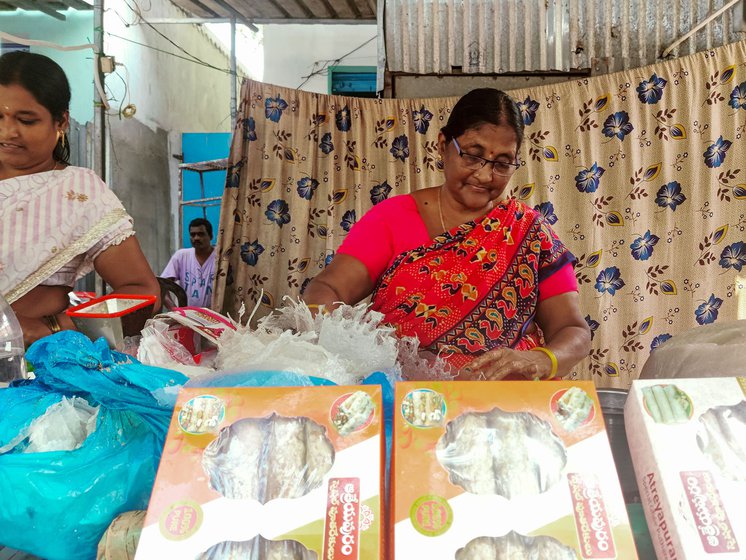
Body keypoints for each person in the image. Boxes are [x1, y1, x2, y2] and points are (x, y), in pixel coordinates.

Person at [303, 88, 591, 381]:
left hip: (510, 409)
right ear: (443, 145)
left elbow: (574, 330)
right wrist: (355, 350)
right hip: (413, 404)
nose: (485, 175)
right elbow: (328, 289)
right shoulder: (392, 219)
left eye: (502, 163)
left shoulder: (529, 232)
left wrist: (541, 360)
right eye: (472, 156)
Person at [0, 51, 160, 347]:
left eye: (26, 120)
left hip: (28, 369)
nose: (8, 131)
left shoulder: (78, 192)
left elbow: (141, 292)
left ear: (60, 121)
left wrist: (49, 328)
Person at [161, 218, 216, 308]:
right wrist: (174, 310)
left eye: (201, 234)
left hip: (216, 317)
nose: (196, 238)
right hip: (187, 318)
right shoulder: (181, 256)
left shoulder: (221, 259)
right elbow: (162, 285)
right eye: (193, 235)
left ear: (210, 236)